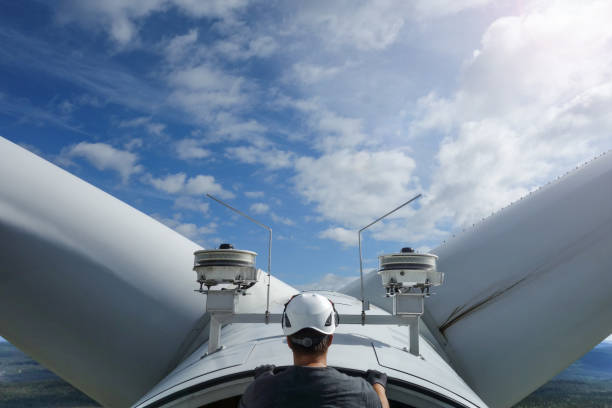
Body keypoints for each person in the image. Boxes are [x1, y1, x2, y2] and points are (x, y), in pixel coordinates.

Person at [239, 293, 390, 408]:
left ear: (289, 341)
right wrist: (378, 387)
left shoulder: (258, 391)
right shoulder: (361, 391)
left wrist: (263, 381)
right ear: (330, 340)